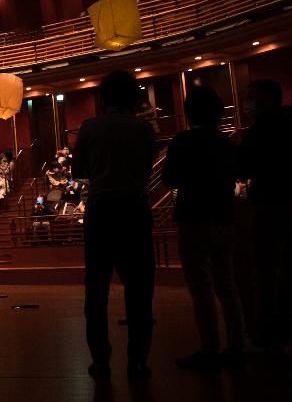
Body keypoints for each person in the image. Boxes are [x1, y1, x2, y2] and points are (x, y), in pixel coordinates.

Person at [73, 70, 156, 381]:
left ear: (103, 98)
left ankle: (101, 360)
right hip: (134, 207)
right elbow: (147, 168)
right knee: (140, 287)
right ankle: (137, 359)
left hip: (102, 209)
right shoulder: (144, 129)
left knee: (96, 290)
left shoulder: (91, 127)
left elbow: (79, 168)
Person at [164, 86, 247, 370]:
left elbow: (169, 179)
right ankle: (238, 345)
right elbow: (239, 172)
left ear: (189, 113)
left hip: (194, 217)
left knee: (201, 287)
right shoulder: (226, 143)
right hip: (224, 215)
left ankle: (210, 349)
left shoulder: (183, 141)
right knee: (228, 284)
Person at [238, 79, 292, 355]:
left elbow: (243, 165)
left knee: (266, 274)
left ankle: (271, 337)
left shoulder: (261, 130)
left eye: (252, 97)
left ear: (269, 99)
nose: (247, 102)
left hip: (270, 205)